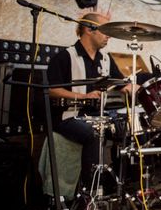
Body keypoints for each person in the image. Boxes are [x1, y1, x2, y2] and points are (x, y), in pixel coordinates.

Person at [47, 12, 130, 187]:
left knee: (127, 129)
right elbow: (53, 90)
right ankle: (90, 190)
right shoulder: (65, 56)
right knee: (94, 134)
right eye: (105, 30)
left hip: (98, 114)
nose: (109, 35)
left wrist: (145, 89)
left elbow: (124, 84)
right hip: (69, 116)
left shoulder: (106, 59)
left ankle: (119, 185)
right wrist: (83, 97)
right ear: (89, 29)